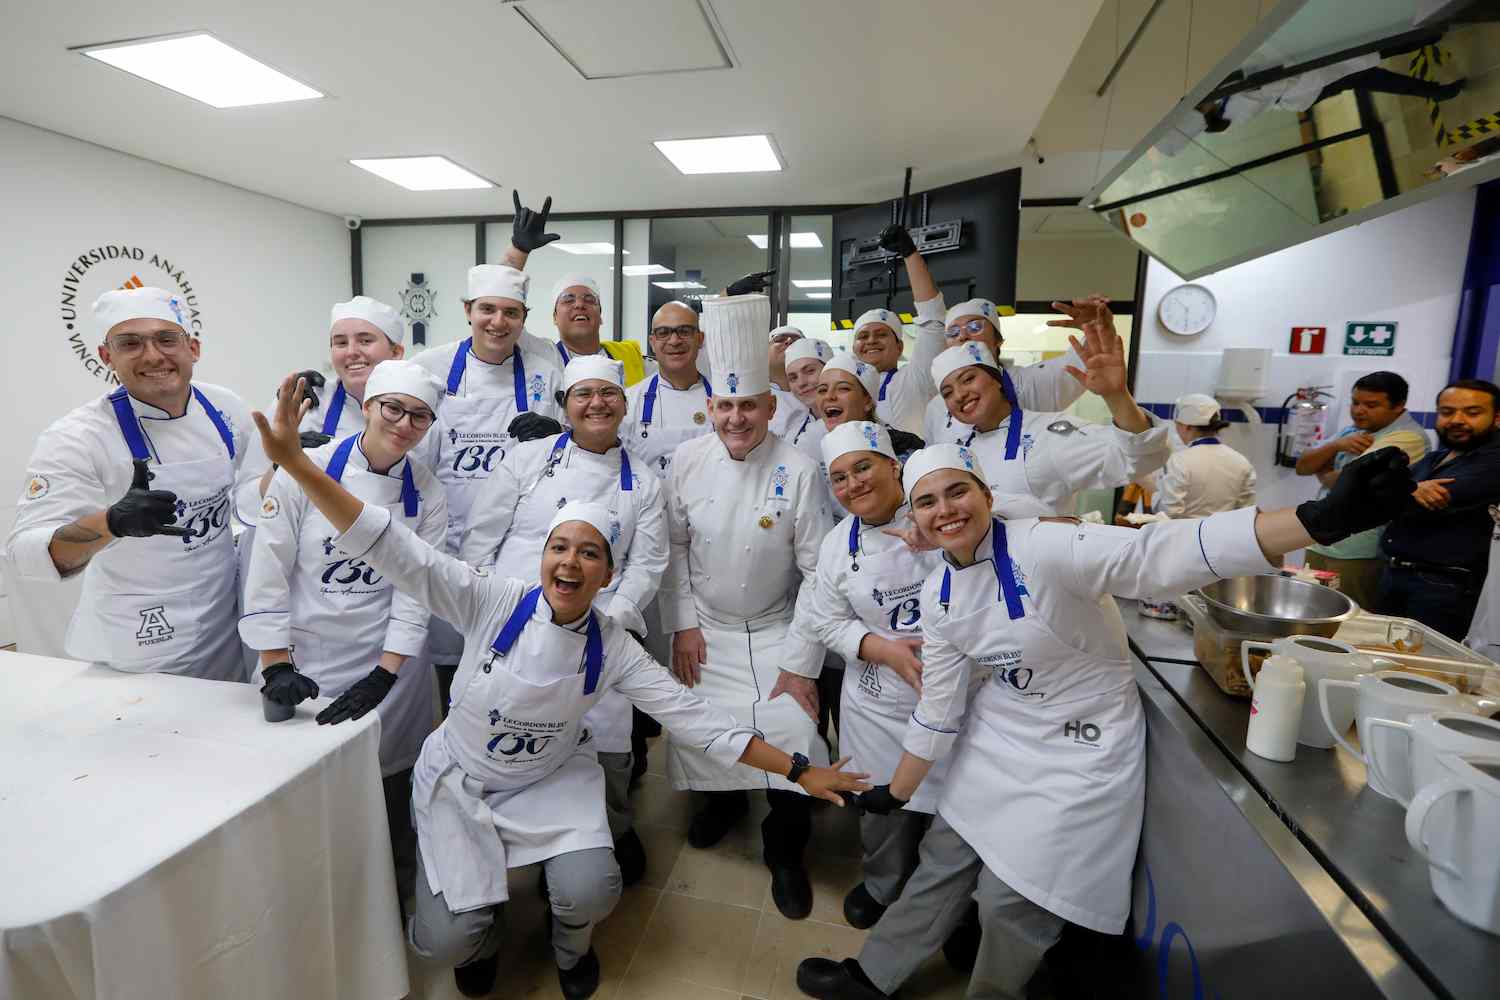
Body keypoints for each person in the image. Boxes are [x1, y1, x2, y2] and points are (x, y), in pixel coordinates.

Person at [249, 377, 869, 1000]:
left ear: (608, 573)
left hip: (551, 776)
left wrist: (800, 769)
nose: (570, 564)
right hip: (465, 779)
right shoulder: (489, 601)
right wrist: (299, 466)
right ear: (542, 554)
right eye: (559, 549)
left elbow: (699, 721)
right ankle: (481, 935)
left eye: (591, 554)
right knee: (444, 941)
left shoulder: (615, 644)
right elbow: (392, 545)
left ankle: (570, 950)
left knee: (594, 889)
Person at [795, 443, 1417, 1000]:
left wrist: (1314, 519)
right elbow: (940, 705)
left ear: (988, 495)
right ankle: (872, 979)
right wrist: (895, 792)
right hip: (1003, 739)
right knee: (943, 857)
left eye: (958, 491)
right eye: (927, 502)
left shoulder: (1046, 545)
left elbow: (1156, 554)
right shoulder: (941, 596)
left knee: (1012, 906)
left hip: (1079, 753)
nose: (945, 510)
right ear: (916, 518)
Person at [240, 359, 447, 901]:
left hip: (387, 663)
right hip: (304, 657)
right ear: (369, 407)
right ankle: (304, 898)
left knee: (389, 789)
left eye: (419, 417)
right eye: (393, 409)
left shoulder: (427, 493)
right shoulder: (304, 470)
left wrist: (386, 674)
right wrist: (276, 663)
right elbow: (269, 571)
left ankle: (388, 899)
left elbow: (417, 589)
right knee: (302, 787)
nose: (404, 425)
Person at [657, 292, 833, 920]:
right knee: (708, 736)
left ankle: (784, 852)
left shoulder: (800, 469)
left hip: (782, 626)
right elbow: (673, 548)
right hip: (707, 628)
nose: (736, 418)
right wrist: (681, 626)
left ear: (770, 406)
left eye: (748, 406)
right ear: (710, 409)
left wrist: (803, 662)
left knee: (795, 738)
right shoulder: (686, 460)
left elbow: (818, 573)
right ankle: (721, 804)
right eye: (725, 405)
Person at [460, 354, 665, 887]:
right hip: (513, 627)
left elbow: (648, 563)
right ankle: (490, 837)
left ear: (624, 405)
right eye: (583, 394)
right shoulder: (525, 461)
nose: (596, 403)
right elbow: (482, 540)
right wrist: (485, 614)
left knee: (608, 737)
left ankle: (614, 828)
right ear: (565, 405)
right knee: (505, 729)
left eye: (608, 394)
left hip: (599, 630)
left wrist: (607, 622)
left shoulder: (642, 481)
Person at [8, 286, 265, 681]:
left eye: (166, 339)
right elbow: (26, 553)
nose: (152, 355)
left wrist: (291, 465)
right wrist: (111, 524)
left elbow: (248, 500)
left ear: (192, 348)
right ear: (106, 356)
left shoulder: (225, 408)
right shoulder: (77, 437)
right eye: (131, 343)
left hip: (224, 622)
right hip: (141, 641)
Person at [786, 422, 949, 932]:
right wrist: (882, 649)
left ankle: (946, 905)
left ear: (893, 467)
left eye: (863, 467)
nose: (853, 484)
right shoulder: (838, 547)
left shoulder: (942, 516)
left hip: (953, 693)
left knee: (953, 807)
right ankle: (883, 885)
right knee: (882, 808)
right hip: (878, 700)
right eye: (839, 478)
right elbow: (823, 619)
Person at [411, 263, 563, 710]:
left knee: (514, 662)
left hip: (519, 548)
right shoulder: (430, 368)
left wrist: (556, 432)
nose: (498, 322)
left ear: (523, 318)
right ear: (467, 311)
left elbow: (575, 450)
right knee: (450, 658)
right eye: (487, 310)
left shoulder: (543, 371)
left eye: (511, 313)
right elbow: (411, 458)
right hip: (448, 541)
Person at [930, 332, 1167, 517]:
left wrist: (1117, 395)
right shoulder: (955, 451)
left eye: (969, 379)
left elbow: (1139, 455)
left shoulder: (1048, 436)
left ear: (998, 380)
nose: (959, 395)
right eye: (948, 393)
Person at [1378, 380, 1500, 640]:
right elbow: (1378, 492)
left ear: (1497, 418)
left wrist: (1405, 490)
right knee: (1384, 658)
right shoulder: (1437, 458)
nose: (1457, 419)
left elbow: (1421, 505)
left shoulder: (1493, 461)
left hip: (1442, 587)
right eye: (1447, 412)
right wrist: (1410, 488)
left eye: (1472, 412)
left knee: (1421, 670)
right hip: (1397, 574)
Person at [1297, 371, 1428, 609]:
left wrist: (1325, 470)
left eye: (1371, 405)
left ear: (1398, 406)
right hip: (1322, 540)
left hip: (1359, 550)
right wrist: (1336, 445)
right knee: (1313, 613)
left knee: (1349, 621)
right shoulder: (1351, 433)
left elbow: (1346, 483)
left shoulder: (1407, 437)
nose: (1359, 410)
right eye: (1355, 403)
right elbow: (1303, 466)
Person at [922, 296, 1088, 445]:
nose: (963, 336)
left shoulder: (1031, 382)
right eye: (953, 332)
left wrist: (1092, 330)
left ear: (998, 340)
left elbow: (1083, 364)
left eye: (974, 327)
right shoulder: (937, 409)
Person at [849, 226, 946, 437]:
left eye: (882, 334)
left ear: (899, 346)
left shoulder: (917, 377)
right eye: (863, 336)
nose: (871, 340)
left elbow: (933, 319)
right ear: (853, 348)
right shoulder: (843, 389)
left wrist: (909, 254)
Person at [1154, 393, 1257, 517]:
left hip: (1186, 534)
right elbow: (1245, 511)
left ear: (1186, 427)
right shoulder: (1241, 461)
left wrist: (1156, 493)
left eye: (1177, 424)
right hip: (1223, 534)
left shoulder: (1179, 461)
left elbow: (1169, 512)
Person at [784, 337, 836, 453]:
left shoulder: (857, 421)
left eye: (810, 371)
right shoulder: (793, 433)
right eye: (793, 378)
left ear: (830, 369)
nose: (801, 383)